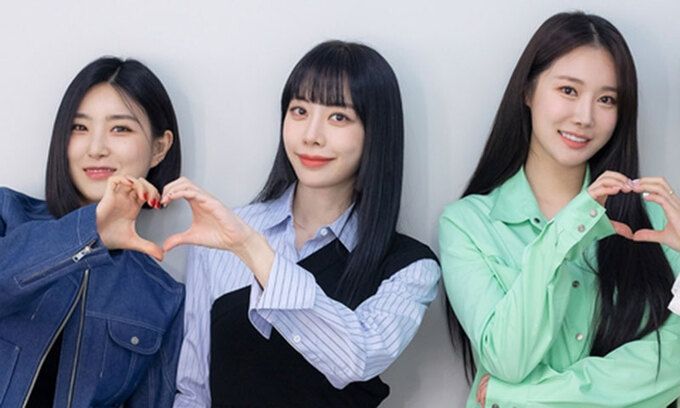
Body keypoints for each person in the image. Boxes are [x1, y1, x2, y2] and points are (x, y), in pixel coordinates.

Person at [171, 40, 440, 407]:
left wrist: (253, 250)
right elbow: (193, 390)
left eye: (338, 117)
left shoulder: (410, 267)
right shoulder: (221, 236)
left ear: (375, 132)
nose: (311, 135)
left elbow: (357, 357)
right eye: (299, 111)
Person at [439, 11, 680, 407]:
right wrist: (570, 227)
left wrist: (521, 397)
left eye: (606, 99)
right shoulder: (468, 224)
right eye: (568, 90)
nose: (584, 117)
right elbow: (508, 359)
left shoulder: (655, 221)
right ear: (528, 91)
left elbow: (674, 361)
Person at [0, 57, 184, 407]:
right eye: (79, 127)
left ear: (159, 148)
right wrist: (92, 230)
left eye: (120, 129)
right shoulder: (7, 214)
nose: (96, 148)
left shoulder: (163, 297)